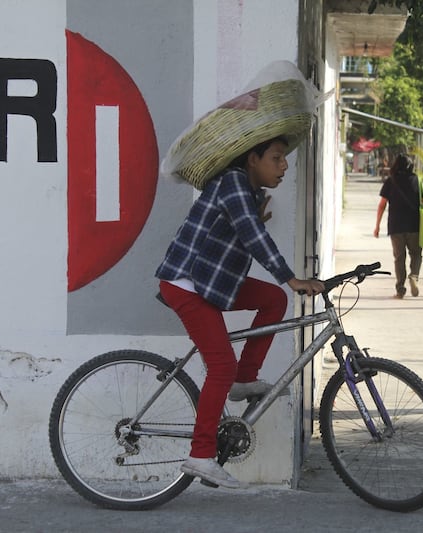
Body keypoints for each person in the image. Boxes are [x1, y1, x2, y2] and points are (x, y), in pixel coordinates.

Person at [155, 136, 324, 489]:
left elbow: (240, 224)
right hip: (187, 282)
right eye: (276, 158)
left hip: (212, 281)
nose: (284, 166)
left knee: (273, 300)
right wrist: (291, 278)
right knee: (220, 365)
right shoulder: (233, 182)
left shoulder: (246, 192)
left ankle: (243, 380)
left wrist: (255, 212)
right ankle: (200, 456)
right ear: (252, 159)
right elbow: (251, 236)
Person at [372, 153, 423, 299]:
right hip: (414, 225)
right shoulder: (418, 180)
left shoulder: (391, 181)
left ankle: (400, 289)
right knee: (416, 254)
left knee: (399, 257)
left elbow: (382, 205)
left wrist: (377, 226)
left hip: (396, 226)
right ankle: (414, 276)